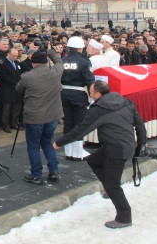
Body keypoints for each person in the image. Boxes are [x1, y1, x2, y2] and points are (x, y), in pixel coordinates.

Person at [53, 80, 146, 229]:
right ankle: (110, 189)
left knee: (112, 184)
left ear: (98, 94)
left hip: (116, 149)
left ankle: (124, 216)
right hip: (123, 145)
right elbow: (140, 123)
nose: (89, 95)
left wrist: (59, 142)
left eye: (91, 93)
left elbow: (81, 130)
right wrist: (141, 142)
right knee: (94, 160)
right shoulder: (125, 101)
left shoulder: (99, 109)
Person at [15, 47, 64, 185]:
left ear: (32, 62)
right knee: (47, 143)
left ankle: (37, 175)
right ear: (46, 61)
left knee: (33, 146)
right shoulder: (56, 72)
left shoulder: (27, 76)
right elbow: (59, 61)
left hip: (34, 117)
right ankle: (54, 171)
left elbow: (18, 89)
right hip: (53, 116)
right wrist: (50, 51)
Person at [60, 36, 95, 160]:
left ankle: (68, 152)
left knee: (68, 123)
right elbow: (90, 80)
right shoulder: (84, 61)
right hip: (79, 95)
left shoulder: (62, 61)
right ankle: (77, 153)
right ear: (81, 48)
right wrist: (93, 95)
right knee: (79, 125)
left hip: (64, 94)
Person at [0, 47, 23, 133]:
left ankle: (14, 123)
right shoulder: (2, 62)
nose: (15, 57)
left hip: (17, 88)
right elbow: (4, 76)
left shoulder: (17, 62)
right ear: (8, 54)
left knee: (17, 107)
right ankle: (5, 125)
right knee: (6, 109)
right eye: (13, 56)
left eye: (16, 56)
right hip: (7, 88)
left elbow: (19, 74)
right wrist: (15, 83)